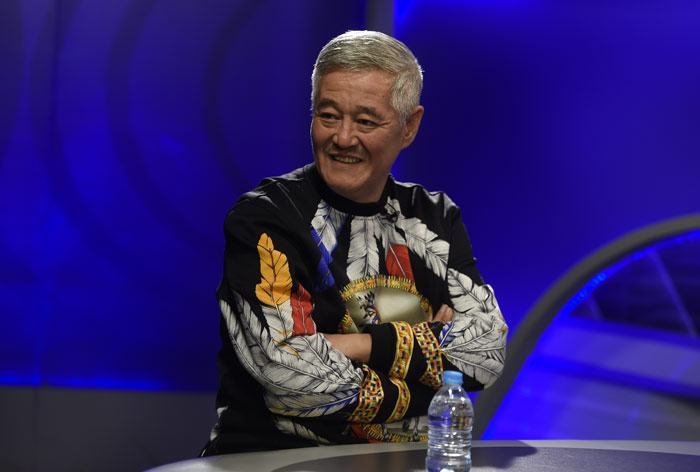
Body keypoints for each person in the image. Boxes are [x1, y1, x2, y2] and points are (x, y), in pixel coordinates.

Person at [201, 30, 507, 455]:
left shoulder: (435, 216)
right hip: (274, 461)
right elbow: (292, 377)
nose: (343, 138)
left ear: (409, 126)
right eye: (328, 116)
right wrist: (430, 376)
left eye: (366, 122)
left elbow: (487, 353)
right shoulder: (266, 218)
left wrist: (358, 345)